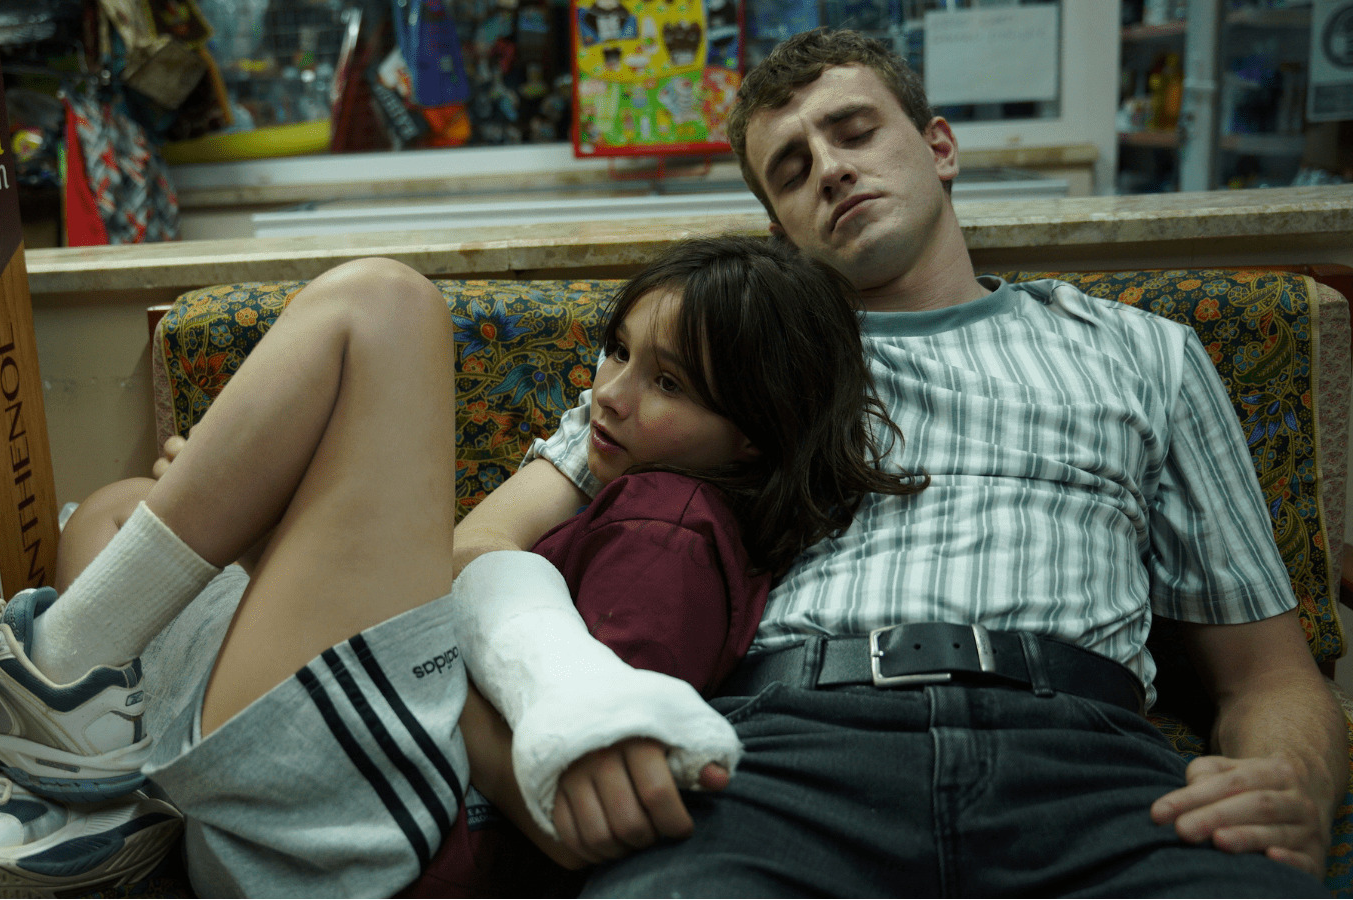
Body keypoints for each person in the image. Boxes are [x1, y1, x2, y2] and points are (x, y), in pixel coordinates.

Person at [449, 27, 1347, 897]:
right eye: (793, 171)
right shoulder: (720, 361)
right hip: (786, 758)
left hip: (1085, 759)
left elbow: (1270, 676)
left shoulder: (1146, 352)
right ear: (779, 231)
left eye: (854, 131)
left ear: (939, 147)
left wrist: (1288, 781)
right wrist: (565, 699)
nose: (832, 168)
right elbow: (481, 544)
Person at [0, 235, 919, 897]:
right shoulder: (626, 471)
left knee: (385, 304)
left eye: (668, 381)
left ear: (754, 435)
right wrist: (268, 537)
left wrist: (273, 544)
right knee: (121, 513)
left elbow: (549, 764)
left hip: (366, 837)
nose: (616, 393)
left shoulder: (671, 532)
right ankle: (84, 774)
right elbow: (466, 559)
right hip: (341, 794)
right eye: (617, 348)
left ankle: (63, 682)